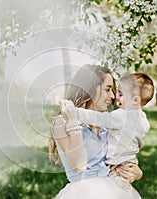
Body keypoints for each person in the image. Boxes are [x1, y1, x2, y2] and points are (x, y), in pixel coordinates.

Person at [49, 65, 143, 199]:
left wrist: (137, 172)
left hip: (113, 190)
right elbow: (79, 164)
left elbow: (125, 154)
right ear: (90, 89)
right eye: (107, 89)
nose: (112, 96)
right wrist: (74, 121)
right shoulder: (61, 122)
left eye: (113, 91)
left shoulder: (107, 123)